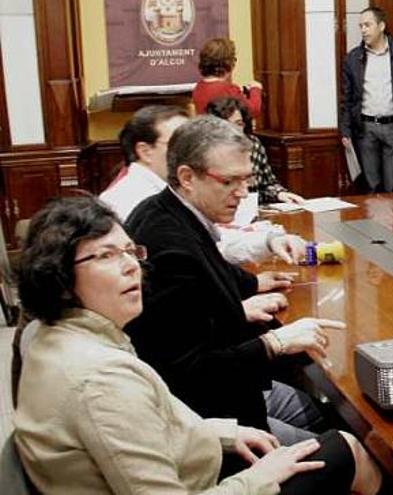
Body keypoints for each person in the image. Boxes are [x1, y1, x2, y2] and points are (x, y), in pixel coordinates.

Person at [13, 196, 381, 494]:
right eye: (106, 255)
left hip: (191, 460)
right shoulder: (101, 381)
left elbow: (149, 425)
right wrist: (260, 478)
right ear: (59, 278)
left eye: (130, 252)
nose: (130, 267)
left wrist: (222, 432)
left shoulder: (52, 334)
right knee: (347, 449)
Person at [124, 117, 331, 446]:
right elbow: (189, 371)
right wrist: (275, 343)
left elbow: (212, 271)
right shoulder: (170, 247)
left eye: (246, 180)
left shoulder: (166, 211)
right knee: (349, 447)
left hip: (228, 391)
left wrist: (250, 286)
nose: (243, 193)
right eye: (229, 182)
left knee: (321, 410)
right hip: (211, 422)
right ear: (187, 177)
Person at [100, 106, 305, 266]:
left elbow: (212, 243)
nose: (189, 149)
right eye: (177, 143)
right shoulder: (129, 200)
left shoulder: (168, 195)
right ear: (145, 151)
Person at [340, 6, 393, 192]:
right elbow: (346, 99)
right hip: (365, 129)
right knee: (370, 186)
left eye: (367, 25)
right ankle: (373, 222)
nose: (363, 30)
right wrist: (345, 130)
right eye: (360, 26)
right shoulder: (353, 59)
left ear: (381, 26)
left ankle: (392, 222)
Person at [206, 97, 304, 204]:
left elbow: (267, 184)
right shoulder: (206, 151)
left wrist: (280, 194)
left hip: (252, 210)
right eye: (227, 125)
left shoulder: (253, 144)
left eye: (239, 124)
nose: (234, 130)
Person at [100, 105, 188, 220]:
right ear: (145, 152)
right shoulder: (127, 198)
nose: (193, 150)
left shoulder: (171, 185)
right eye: (180, 143)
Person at [193, 38, 263, 118]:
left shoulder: (198, 87)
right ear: (228, 63)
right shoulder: (228, 89)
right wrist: (256, 89)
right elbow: (253, 110)